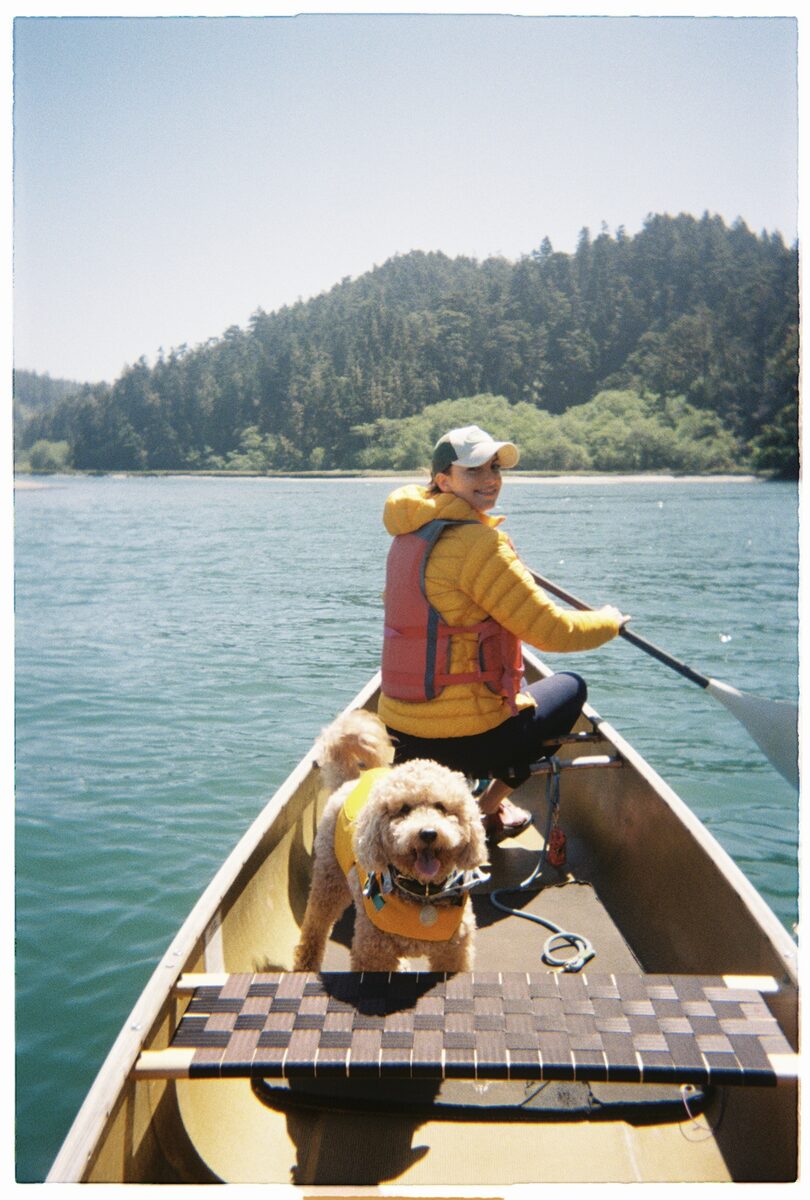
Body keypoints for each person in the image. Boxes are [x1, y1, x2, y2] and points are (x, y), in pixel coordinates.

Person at [378, 424, 629, 842]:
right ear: (444, 480)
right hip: (466, 744)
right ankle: (484, 808)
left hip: (401, 737)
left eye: (495, 468)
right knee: (570, 689)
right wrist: (610, 621)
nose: (491, 479)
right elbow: (554, 631)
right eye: (474, 470)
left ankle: (482, 800)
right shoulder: (482, 545)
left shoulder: (408, 534)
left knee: (509, 682)